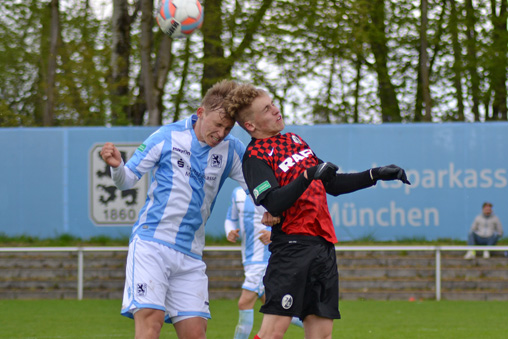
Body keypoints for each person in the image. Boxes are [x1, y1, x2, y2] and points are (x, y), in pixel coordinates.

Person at [223, 84, 411, 339]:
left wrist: (374, 175)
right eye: (266, 109)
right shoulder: (254, 157)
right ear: (251, 126)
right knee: (272, 333)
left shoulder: (295, 140)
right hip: (291, 249)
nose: (276, 110)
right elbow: (273, 202)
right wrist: (306, 176)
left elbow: (331, 183)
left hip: (322, 246)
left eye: (273, 103)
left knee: (322, 334)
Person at [100, 79, 253, 339]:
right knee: (151, 324)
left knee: (195, 333)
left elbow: (256, 187)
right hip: (152, 244)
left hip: (191, 255)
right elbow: (127, 180)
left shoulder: (233, 150)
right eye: (217, 125)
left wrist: (274, 205)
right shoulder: (166, 136)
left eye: (227, 128)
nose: (221, 133)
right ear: (201, 112)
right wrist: (116, 166)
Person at [225, 186, 303, 339]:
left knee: (244, 302)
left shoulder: (270, 190)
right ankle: (312, 321)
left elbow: (287, 219)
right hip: (248, 259)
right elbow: (231, 219)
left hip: (264, 259)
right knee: (276, 307)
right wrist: (230, 231)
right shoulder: (237, 193)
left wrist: (273, 233)